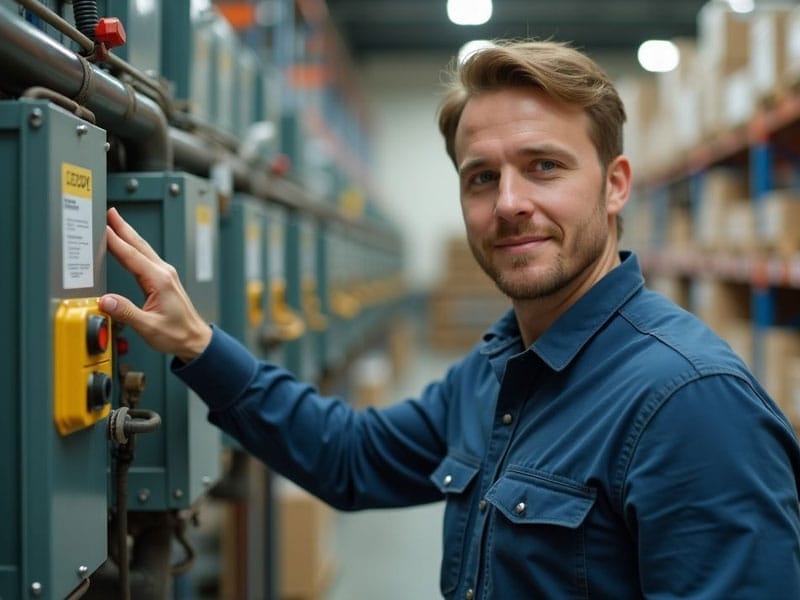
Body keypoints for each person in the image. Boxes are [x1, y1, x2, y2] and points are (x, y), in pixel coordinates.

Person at [100, 40, 800, 598]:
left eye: (545, 166)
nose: (510, 203)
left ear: (615, 185)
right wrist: (197, 344)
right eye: (482, 177)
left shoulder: (690, 402)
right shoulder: (499, 371)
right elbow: (351, 457)